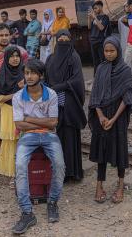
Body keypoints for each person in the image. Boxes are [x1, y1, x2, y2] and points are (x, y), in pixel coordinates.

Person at [12, 59, 64, 234]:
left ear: (41, 75)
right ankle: (27, 212)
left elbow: (54, 122)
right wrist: (42, 124)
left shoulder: (52, 94)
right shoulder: (18, 97)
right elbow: (19, 125)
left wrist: (29, 119)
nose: (29, 76)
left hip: (49, 136)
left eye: (33, 73)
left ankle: (52, 202)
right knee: (19, 166)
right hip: (28, 137)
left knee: (59, 165)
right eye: (26, 73)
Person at [89, 36, 132, 204]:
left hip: (118, 117)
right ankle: (99, 186)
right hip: (101, 117)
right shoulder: (100, 68)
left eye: (112, 51)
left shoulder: (124, 69)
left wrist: (114, 119)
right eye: (106, 51)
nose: (109, 54)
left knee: (120, 150)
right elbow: (95, 95)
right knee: (101, 151)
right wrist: (101, 116)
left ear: (118, 51)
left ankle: (121, 186)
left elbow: (127, 97)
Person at [45, 30, 87, 182]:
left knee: (68, 139)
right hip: (52, 105)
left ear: (70, 41)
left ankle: (70, 173)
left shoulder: (74, 57)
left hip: (68, 105)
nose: (63, 41)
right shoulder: (50, 58)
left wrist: (58, 87)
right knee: (53, 139)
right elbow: (45, 77)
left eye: (66, 39)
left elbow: (77, 80)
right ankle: (54, 172)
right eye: (60, 39)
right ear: (56, 41)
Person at [0, 46, 25, 178]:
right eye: (12, 56)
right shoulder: (3, 74)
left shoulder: (24, 71)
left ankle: (23, 169)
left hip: (24, 110)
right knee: (11, 140)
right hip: (9, 110)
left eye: (17, 56)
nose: (15, 59)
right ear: (7, 58)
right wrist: (17, 91)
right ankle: (11, 170)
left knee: (23, 139)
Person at [88, 0, 111, 73]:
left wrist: (95, 17)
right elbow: (89, 27)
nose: (94, 10)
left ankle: (104, 77)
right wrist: (89, 17)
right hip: (93, 41)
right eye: (93, 9)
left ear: (101, 7)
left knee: (103, 60)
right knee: (95, 61)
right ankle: (96, 78)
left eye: (96, 8)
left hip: (101, 41)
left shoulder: (105, 17)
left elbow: (101, 28)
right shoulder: (95, 17)